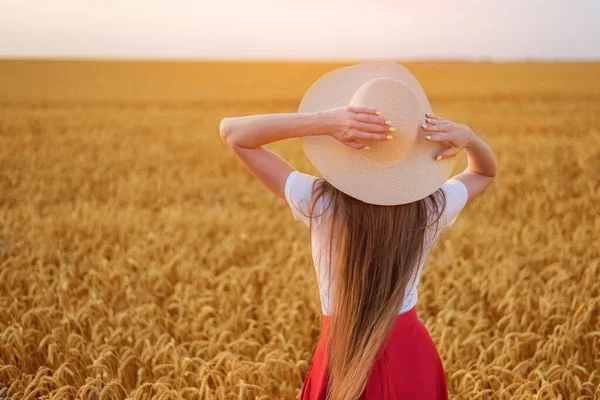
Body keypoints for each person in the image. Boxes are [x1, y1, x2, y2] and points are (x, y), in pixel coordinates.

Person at [219, 62, 497, 400]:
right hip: (412, 358)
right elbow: (484, 172)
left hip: (343, 356)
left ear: (346, 142)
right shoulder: (432, 207)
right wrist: (469, 139)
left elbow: (233, 133)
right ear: (411, 151)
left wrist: (324, 122)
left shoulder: (320, 203)